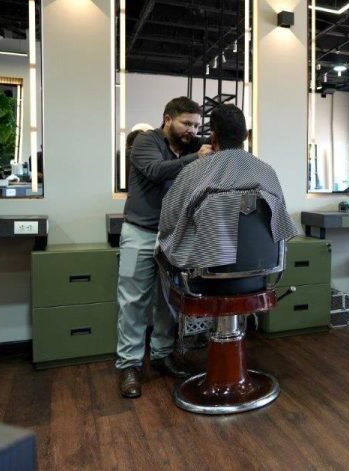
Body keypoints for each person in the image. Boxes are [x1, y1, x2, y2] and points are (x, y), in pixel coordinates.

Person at [116, 97, 213, 398]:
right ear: (168, 119)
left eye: (196, 125)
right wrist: (195, 158)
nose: (192, 130)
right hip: (139, 233)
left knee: (168, 301)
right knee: (133, 302)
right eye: (186, 123)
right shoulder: (146, 141)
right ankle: (130, 365)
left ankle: (161, 354)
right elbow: (155, 171)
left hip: (173, 235)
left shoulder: (192, 147)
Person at [158, 103, 297, 271]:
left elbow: (168, 224)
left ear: (213, 138)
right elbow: (281, 223)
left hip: (206, 274)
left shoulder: (193, 172)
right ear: (245, 136)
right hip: (259, 269)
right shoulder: (266, 172)